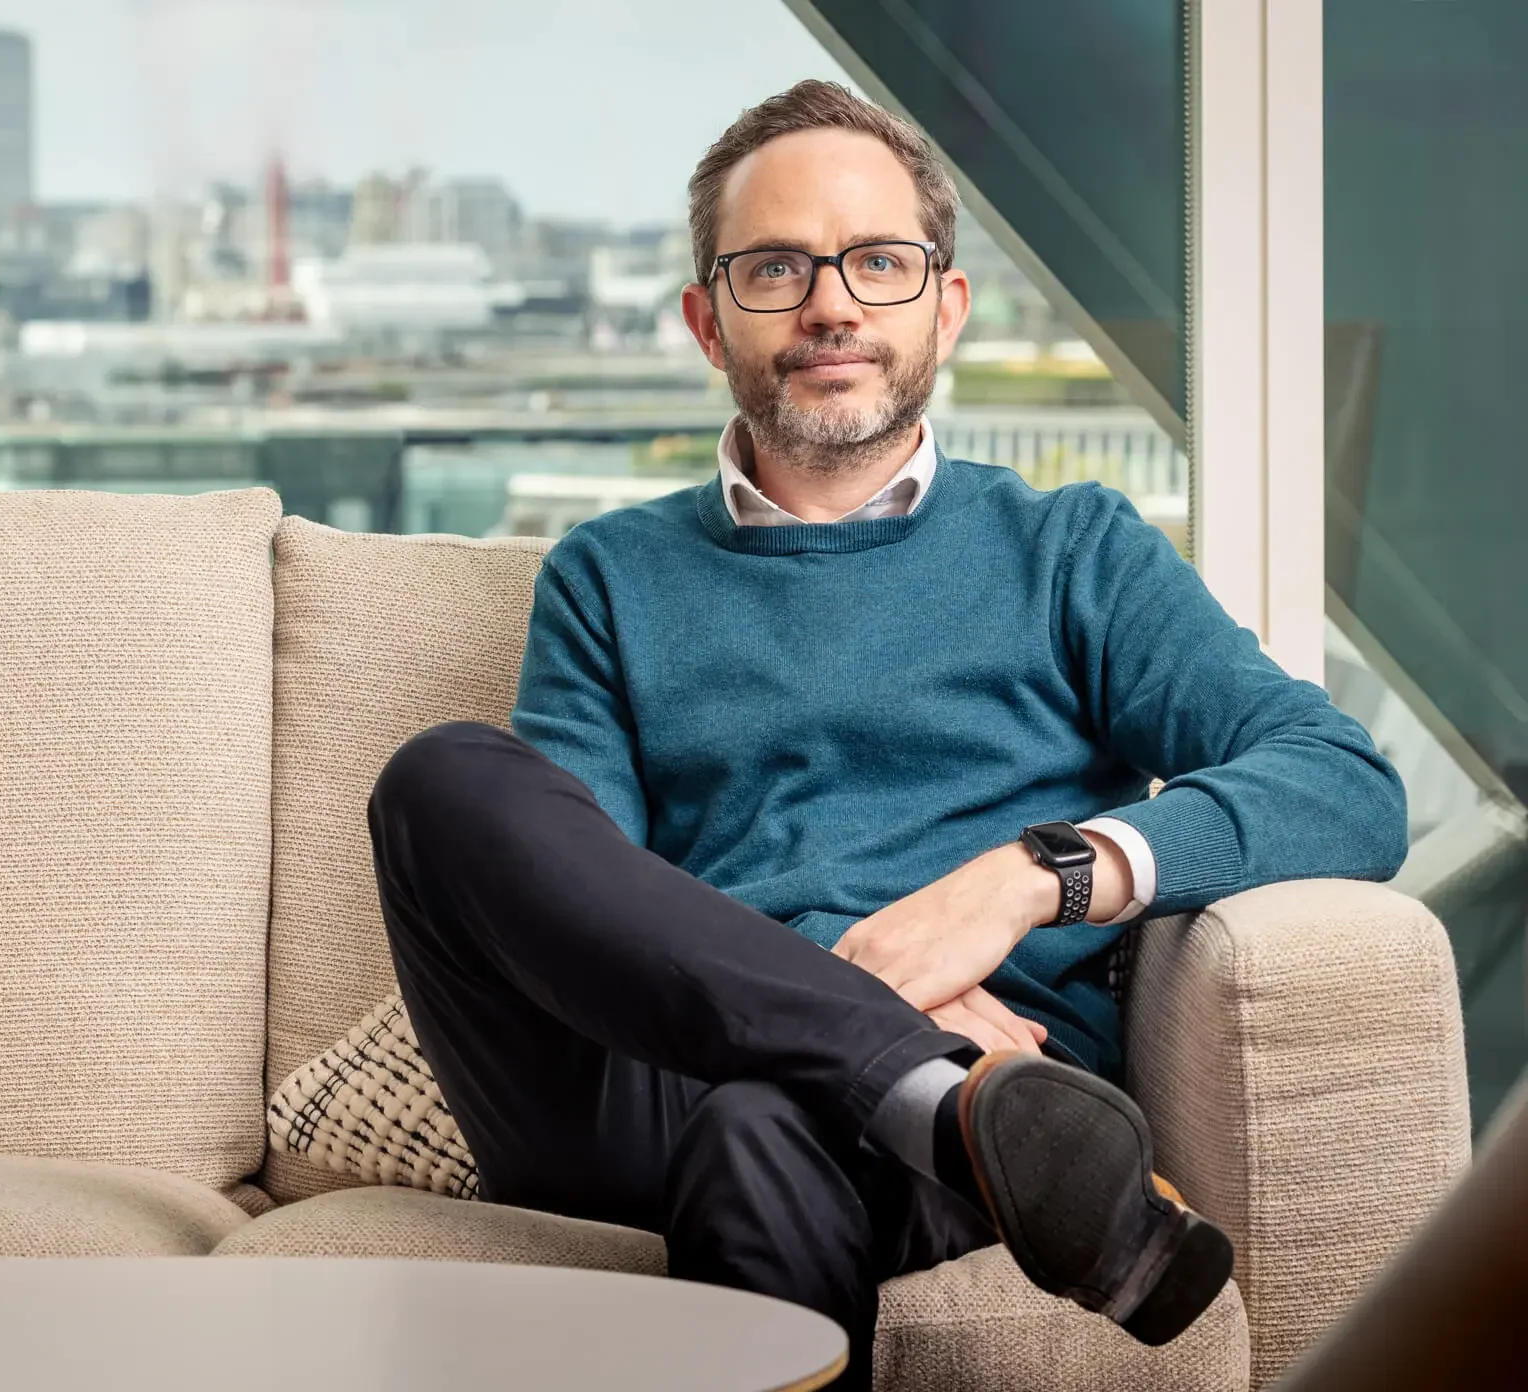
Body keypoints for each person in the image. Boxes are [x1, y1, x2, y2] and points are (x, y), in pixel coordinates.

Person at [366, 80, 1407, 1387]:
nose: (832, 303)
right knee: (441, 783)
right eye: (774, 268)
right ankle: (908, 1079)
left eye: (877, 261)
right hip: (689, 1079)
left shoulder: (1070, 550)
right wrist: (868, 998)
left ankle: (924, 1103)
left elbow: (1343, 784)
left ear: (945, 305)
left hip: (992, 1097)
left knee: (764, 1133)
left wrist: (1025, 880)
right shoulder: (608, 576)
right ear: (706, 319)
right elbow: (596, 922)